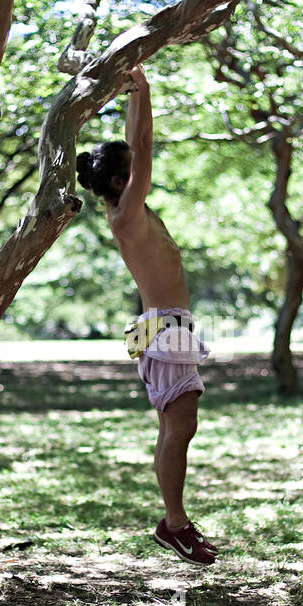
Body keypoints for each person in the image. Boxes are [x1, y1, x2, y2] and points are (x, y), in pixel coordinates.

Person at [76, 64, 216, 566]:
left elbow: (138, 144)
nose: (143, 168)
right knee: (181, 426)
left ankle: (173, 522)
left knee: (174, 426)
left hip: (160, 325)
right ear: (120, 180)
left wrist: (136, 90)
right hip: (164, 326)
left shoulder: (129, 209)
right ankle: (175, 524)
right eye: (132, 167)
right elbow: (145, 144)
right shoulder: (127, 212)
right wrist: (144, 90)